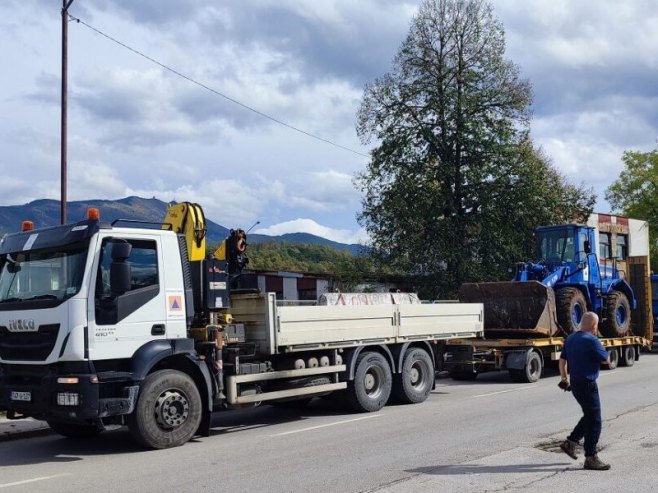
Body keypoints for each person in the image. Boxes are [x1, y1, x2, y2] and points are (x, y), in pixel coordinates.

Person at [558, 311, 611, 470]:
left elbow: (562, 361)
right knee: (595, 420)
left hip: (575, 384)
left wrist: (563, 379)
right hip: (588, 384)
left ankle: (570, 443)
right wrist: (602, 348)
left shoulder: (571, 338)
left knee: (589, 415)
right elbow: (606, 360)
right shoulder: (592, 340)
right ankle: (590, 457)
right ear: (594, 326)